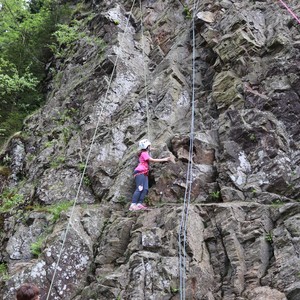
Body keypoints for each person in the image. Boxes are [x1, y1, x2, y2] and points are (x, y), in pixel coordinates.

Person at [129, 138, 171, 211]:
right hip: (140, 172)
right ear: (146, 147)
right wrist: (164, 159)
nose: (150, 147)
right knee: (140, 188)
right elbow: (152, 160)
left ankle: (139, 204)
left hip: (144, 173)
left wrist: (153, 148)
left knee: (145, 189)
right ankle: (133, 205)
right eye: (149, 146)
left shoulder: (144, 151)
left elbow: (150, 149)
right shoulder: (144, 153)